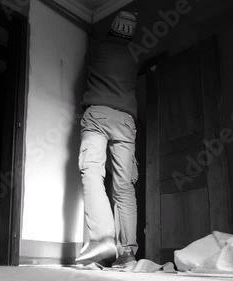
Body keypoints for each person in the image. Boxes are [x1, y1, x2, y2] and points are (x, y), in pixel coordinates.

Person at [75, 11, 140, 268]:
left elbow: (89, 62)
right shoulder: (136, 55)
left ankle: (102, 238)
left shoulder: (97, 47)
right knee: (124, 187)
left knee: (92, 172)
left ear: (113, 30)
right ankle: (128, 255)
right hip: (126, 121)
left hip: (98, 114)